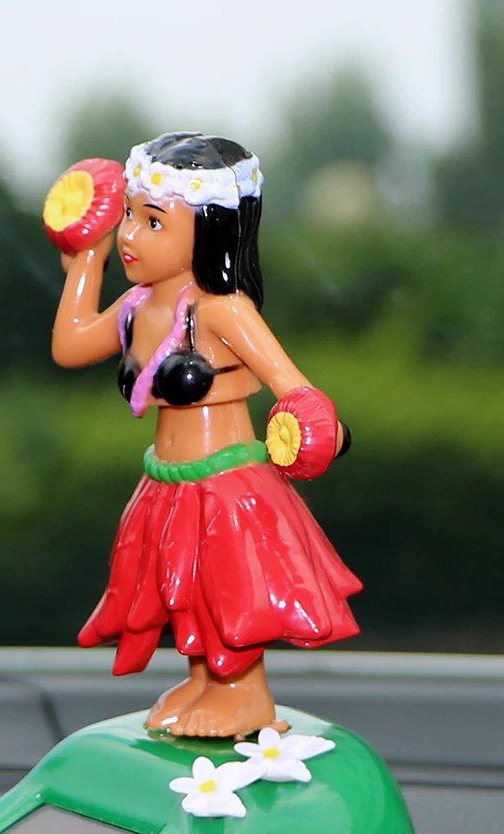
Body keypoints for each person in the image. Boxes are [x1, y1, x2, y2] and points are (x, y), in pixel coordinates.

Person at [52, 132, 361, 738]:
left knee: (226, 589)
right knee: (182, 589)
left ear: (210, 230)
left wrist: (310, 426)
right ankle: (206, 679)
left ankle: (244, 694)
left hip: (226, 484)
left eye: (153, 222)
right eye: (129, 217)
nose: (131, 236)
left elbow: (291, 383)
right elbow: (70, 345)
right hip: (166, 480)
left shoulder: (223, 311)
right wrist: (87, 257)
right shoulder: (138, 307)